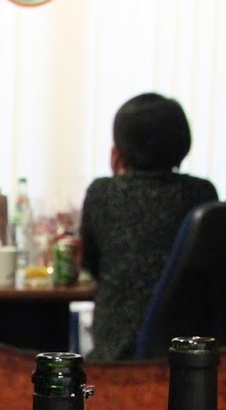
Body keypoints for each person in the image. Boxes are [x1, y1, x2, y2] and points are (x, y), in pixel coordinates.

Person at [78, 93, 217, 361]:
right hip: (187, 352)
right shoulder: (203, 193)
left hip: (116, 353)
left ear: (119, 149)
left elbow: (91, 266)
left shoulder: (102, 193)